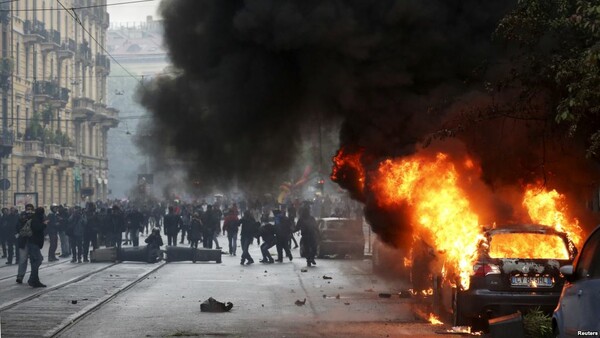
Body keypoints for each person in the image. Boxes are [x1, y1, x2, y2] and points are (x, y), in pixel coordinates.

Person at [25, 207, 47, 287]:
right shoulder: (35, 219)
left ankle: (35, 280)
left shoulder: (36, 218)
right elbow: (37, 229)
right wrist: (44, 224)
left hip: (34, 243)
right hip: (33, 243)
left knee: (35, 261)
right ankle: (32, 279)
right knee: (38, 260)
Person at [16, 204, 35, 283]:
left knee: (33, 260)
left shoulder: (35, 217)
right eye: (28, 209)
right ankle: (20, 276)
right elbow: (17, 227)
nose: (29, 210)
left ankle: (33, 276)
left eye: (30, 209)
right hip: (23, 241)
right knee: (22, 259)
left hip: (33, 242)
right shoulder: (21, 217)